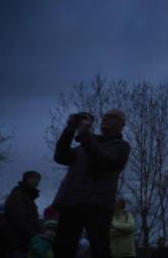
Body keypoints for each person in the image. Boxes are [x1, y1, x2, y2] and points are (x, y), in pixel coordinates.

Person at [52, 109, 130, 258]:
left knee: (100, 249)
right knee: (62, 249)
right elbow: (60, 157)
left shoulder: (121, 146)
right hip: (72, 202)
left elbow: (101, 159)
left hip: (97, 205)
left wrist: (84, 132)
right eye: (104, 117)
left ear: (120, 124)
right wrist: (70, 129)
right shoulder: (85, 144)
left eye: (111, 117)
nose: (105, 119)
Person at [6, 171, 42, 258]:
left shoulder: (28, 197)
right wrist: (33, 235)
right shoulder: (17, 196)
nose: (37, 181)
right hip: (18, 243)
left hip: (27, 242)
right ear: (26, 179)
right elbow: (18, 219)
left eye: (38, 179)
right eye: (34, 178)